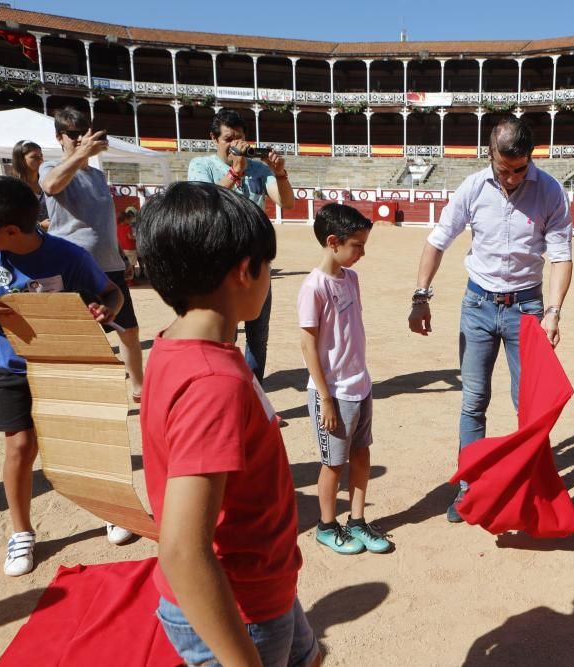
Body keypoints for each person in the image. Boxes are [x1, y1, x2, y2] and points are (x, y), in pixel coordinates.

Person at [137, 181, 319, 667]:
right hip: (241, 605)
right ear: (245, 272)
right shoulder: (214, 380)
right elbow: (182, 550)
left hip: (264, 586)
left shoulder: (177, 345)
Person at [407, 117, 574, 523]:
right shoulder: (472, 188)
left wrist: (553, 311)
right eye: (505, 169)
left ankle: (525, 486)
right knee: (474, 401)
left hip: (527, 309)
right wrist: (420, 295)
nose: (514, 178)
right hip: (478, 305)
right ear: (490, 155)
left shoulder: (550, 190)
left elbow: (561, 256)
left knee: (529, 407)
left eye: (520, 169)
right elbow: (438, 241)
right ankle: (470, 488)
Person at [0, 176, 124, 576]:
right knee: (20, 447)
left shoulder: (69, 256)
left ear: (9, 231)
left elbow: (112, 292)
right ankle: (21, 531)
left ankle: (110, 511)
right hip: (5, 363)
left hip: (62, 361)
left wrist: (106, 309)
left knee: (81, 441)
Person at [298, 203, 391, 555]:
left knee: (362, 454)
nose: (362, 253)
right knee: (333, 464)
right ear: (333, 241)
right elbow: (307, 344)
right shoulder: (313, 287)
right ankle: (326, 525)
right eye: (357, 246)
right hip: (333, 393)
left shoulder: (351, 278)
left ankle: (356, 521)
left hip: (359, 385)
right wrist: (325, 397)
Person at [39, 107, 144, 413]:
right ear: (60, 138)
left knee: (129, 330)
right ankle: (80, 397)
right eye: (73, 134)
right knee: (82, 338)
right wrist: (80, 153)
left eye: (84, 131)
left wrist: (121, 255)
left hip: (108, 263)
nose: (81, 138)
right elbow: (50, 187)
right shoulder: (50, 167)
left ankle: (139, 389)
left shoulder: (97, 175)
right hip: (73, 267)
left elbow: (101, 220)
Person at [187, 108, 295, 384]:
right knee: (226, 333)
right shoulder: (202, 165)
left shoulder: (258, 168)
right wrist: (235, 172)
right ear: (214, 139)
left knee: (259, 334)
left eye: (240, 138)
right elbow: (204, 205)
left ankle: (255, 396)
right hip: (220, 263)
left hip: (256, 260)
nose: (235, 144)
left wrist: (280, 174)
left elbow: (287, 203)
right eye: (228, 138)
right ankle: (229, 390)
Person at [10, 140, 49, 228]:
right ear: (21, 160)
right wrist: (40, 225)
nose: (40, 160)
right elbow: (11, 218)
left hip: (50, 236)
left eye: (41, 156)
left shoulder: (47, 181)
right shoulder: (12, 186)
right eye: (34, 157)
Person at [117, 206, 138, 282]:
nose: (131, 221)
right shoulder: (128, 227)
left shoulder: (118, 227)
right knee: (132, 265)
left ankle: (125, 279)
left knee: (125, 265)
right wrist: (136, 238)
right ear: (125, 219)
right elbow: (130, 237)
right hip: (130, 249)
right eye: (129, 219)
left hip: (122, 249)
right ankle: (131, 280)